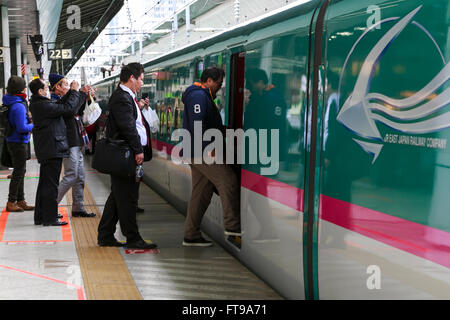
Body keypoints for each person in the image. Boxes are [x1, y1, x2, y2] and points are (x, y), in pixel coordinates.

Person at [97, 62, 156, 249]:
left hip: (128, 152)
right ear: (132, 78)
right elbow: (128, 127)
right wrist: (138, 150)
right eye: (141, 79)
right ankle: (133, 237)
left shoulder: (126, 97)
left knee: (117, 196)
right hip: (127, 154)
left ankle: (105, 235)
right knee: (128, 198)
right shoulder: (122, 98)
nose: (141, 83)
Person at [181, 67, 241, 247]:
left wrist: (226, 130)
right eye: (218, 83)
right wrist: (211, 146)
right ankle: (233, 228)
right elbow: (197, 123)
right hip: (201, 152)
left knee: (201, 192)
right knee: (228, 180)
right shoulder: (198, 96)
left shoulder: (202, 95)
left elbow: (208, 123)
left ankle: (191, 235)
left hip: (196, 150)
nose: (220, 87)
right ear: (208, 81)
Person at [29, 78, 84, 226]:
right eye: (46, 87)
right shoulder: (42, 105)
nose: (48, 89)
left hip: (49, 148)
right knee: (50, 186)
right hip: (52, 148)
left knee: (45, 184)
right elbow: (68, 109)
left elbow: (60, 105)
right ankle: (50, 218)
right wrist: (73, 92)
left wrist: (74, 94)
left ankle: (41, 216)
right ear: (40, 91)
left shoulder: (39, 103)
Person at [49, 73, 96, 218]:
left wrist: (84, 96)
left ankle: (77, 207)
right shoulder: (55, 101)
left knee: (80, 176)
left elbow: (74, 108)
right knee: (71, 175)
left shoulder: (65, 99)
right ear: (56, 87)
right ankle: (49, 207)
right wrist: (77, 92)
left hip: (75, 141)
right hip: (68, 142)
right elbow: (71, 109)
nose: (68, 87)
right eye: (65, 85)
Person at [3, 76, 34, 212]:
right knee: (18, 173)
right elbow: (22, 127)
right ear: (20, 89)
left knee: (20, 171)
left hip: (13, 141)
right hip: (18, 142)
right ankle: (11, 201)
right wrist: (35, 124)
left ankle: (20, 200)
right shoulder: (18, 106)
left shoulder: (10, 102)